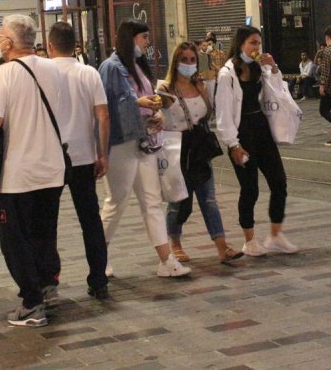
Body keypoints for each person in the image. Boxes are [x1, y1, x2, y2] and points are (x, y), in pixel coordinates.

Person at [0, 15, 70, 327]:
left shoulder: (2, 75)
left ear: (9, 42)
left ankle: (31, 303)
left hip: (18, 172)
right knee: (45, 234)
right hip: (52, 168)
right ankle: (48, 287)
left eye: (1, 35)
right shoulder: (53, 68)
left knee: (15, 240)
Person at [99, 20, 191, 278]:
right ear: (129, 39)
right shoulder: (111, 67)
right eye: (143, 38)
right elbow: (106, 105)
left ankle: (166, 260)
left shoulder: (138, 67)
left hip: (145, 140)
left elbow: (147, 99)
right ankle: (99, 255)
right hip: (122, 142)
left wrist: (156, 111)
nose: (147, 43)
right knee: (116, 202)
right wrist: (137, 103)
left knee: (151, 201)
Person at [215, 26, 297, 257]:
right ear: (241, 43)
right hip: (242, 134)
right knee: (250, 188)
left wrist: (273, 67)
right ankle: (249, 239)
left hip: (261, 128)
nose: (256, 48)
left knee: (279, 181)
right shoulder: (227, 74)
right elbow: (222, 115)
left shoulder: (259, 68)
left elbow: (279, 91)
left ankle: (275, 233)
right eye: (252, 43)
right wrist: (233, 144)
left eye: (258, 44)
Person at [159, 43, 242, 265]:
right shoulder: (166, 89)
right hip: (177, 149)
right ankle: (174, 243)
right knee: (178, 200)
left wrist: (205, 92)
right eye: (183, 59)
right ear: (175, 62)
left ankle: (222, 246)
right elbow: (159, 116)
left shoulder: (202, 86)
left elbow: (210, 115)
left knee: (209, 199)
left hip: (199, 148)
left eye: (192, 59)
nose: (188, 64)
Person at [47, 22, 111, 301]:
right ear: (76, 45)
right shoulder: (89, 73)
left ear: (49, 46)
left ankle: (50, 278)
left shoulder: (44, 73)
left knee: (48, 222)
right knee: (90, 220)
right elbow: (103, 116)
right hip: (84, 157)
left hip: (50, 158)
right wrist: (102, 153)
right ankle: (98, 279)